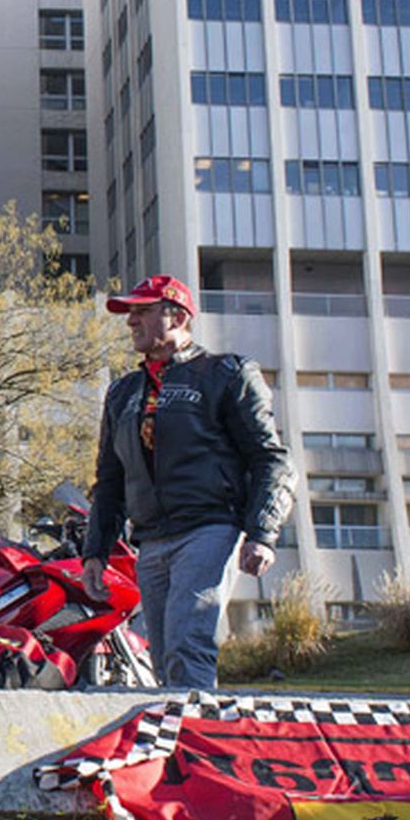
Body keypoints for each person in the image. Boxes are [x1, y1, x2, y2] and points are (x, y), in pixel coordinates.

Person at [81, 275, 296, 689]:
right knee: (161, 658)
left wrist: (262, 533)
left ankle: (197, 744)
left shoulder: (226, 374)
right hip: (152, 540)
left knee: (186, 643)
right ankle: (178, 743)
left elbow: (272, 458)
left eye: (142, 311)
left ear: (177, 316)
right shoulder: (122, 393)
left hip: (209, 529)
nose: (131, 322)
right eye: (130, 313)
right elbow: (109, 479)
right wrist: (96, 553)